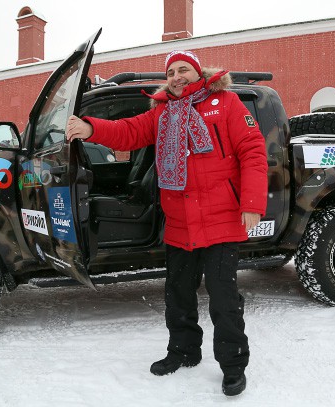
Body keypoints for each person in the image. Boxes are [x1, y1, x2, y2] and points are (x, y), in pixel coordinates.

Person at [67, 50, 268, 396]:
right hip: (180, 223)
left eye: (184, 69)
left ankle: (233, 365)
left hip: (221, 221)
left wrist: (251, 203)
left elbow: (253, 151)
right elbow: (127, 132)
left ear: (198, 72)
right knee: (178, 296)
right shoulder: (161, 113)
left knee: (224, 300)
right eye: (171, 71)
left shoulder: (227, 102)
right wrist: (91, 128)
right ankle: (184, 351)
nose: (177, 76)